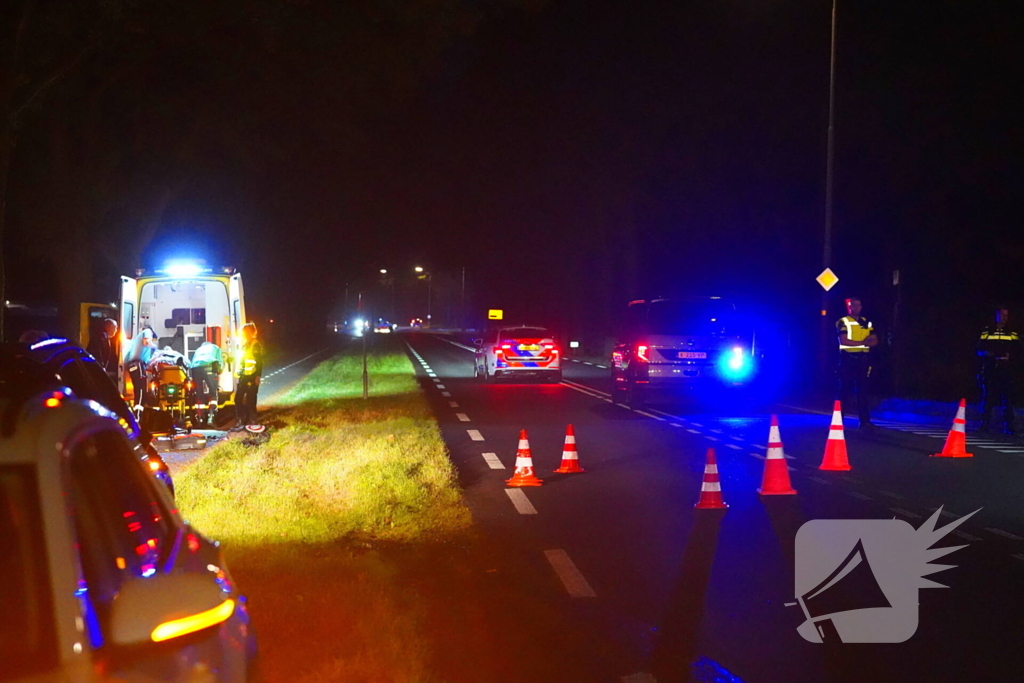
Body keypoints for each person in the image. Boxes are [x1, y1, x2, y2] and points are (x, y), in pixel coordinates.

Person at [977, 305, 1020, 434]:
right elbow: (979, 349)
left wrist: (1010, 357)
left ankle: (1008, 426)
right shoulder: (987, 331)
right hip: (990, 368)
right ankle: (984, 424)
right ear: (996, 315)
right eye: (1002, 315)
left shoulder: (1012, 332)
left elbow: (1017, 349)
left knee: (1007, 398)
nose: (1004, 318)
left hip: (1005, 369)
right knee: (987, 398)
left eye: (1006, 315)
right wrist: (986, 354)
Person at [837, 296, 878, 429]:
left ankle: (865, 422)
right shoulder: (843, 322)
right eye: (854, 305)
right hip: (848, 359)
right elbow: (843, 341)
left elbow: (875, 340)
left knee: (863, 391)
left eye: (859, 305)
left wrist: (867, 342)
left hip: (863, 360)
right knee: (845, 391)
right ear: (849, 307)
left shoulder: (866, 322)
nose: (857, 308)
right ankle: (839, 421)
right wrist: (864, 342)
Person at [233, 322, 263, 429]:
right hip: (244, 376)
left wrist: (258, 376)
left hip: (252, 375)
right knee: (238, 399)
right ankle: (241, 419)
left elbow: (259, 362)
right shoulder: (245, 345)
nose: (242, 334)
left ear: (249, 332)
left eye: (244, 332)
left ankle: (253, 420)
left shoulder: (255, 344)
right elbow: (242, 360)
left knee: (251, 399)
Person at [190, 340, 223, 426]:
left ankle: (200, 419)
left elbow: (192, 362)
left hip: (195, 368)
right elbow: (220, 362)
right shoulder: (215, 348)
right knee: (213, 393)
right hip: (209, 367)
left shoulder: (198, 349)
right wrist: (219, 371)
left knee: (199, 394)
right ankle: (211, 418)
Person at [125, 327, 157, 407]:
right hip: (138, 364)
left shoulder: (136, 342)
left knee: (138, 390)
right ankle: (139, 414)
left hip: (133, 366)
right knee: (141, 390)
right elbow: (146, 342)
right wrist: (155, 347)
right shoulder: (147, 331)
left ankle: (138, 412)